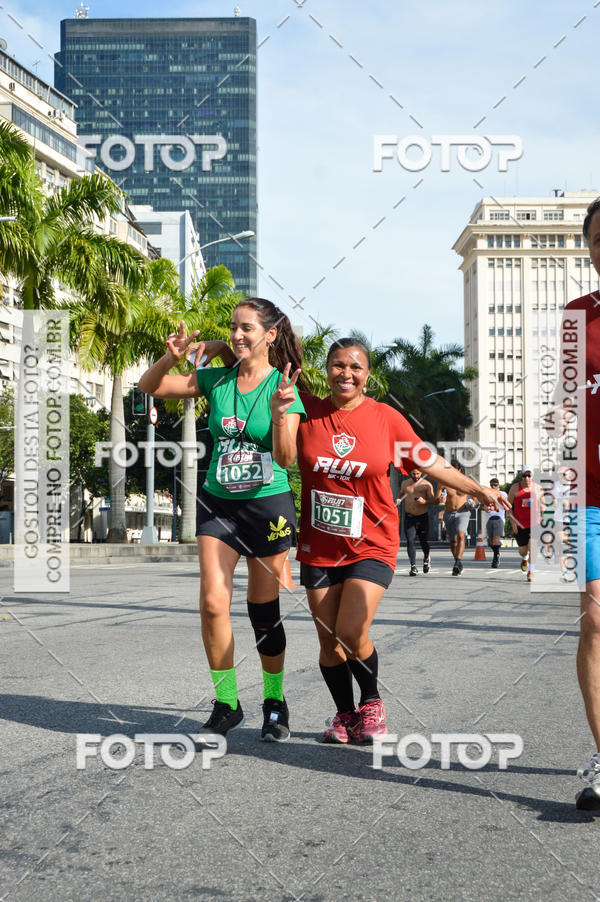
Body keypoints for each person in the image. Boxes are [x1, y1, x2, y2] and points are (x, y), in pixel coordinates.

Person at [295, 338, 509, 744]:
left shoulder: (385, 419)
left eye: (356, 367)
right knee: (328, 639)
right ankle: (345, 715)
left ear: (367, 375)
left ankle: (372, 702)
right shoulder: (305, 410)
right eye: (338, 365)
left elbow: (433, 463)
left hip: (372, 542)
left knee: (351, 630)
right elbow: (261, 375)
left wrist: (478, 489)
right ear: (326, 370)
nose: (346, 373)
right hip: (319, 545)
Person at [138, 298, 306, 743]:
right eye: (232, 327)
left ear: (270, 334)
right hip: (218, 504)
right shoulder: (216, 380)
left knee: (262, 611)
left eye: (247, 328)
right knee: (213, 603)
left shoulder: (284, 388)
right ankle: (227, 703)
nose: (236, 335)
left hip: (267, 508)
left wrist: (278, 414)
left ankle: (274, 700)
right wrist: (170, 357)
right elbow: (151, 386)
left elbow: (287, 459)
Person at [555, 198, 600, 810]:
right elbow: (564, 411)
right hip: (590, 498)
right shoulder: (575, 316)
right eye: (596, 236)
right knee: (596, 621)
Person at [434, 459, 477, 575]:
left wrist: (472, 503)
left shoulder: (466, 481)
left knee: (461, 535)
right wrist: (440, 498)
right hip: (448, 513)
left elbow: (474, 496)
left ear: (459, 470)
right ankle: (458, 563)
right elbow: (437, 499)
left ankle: (458, 562)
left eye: (454, 469)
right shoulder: (443, 482)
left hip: (463, 512)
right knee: (453, 541)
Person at [507, 466, 541, 582]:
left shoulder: (538, 489)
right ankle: (525, 558)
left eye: (529, 475)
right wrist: (513, 522)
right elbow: (509, 507)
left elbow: (543, 506)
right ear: (521, 476)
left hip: (535, 523)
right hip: (520, 524)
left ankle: (531, 571)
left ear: (532, 476)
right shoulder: (515, 488)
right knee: (523, 550)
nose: (527, 478)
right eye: (524, 475)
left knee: (533, 547)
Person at [397, 468, 434, 575]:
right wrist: (399, 499)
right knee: (410, 540)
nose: (416, 476)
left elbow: (433, 500)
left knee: (423, 541)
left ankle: (426, 559)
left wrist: (425, 501)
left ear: (421, 473)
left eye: (417, 473)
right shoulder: (405, 483)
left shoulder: (427, 484)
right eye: (413, 473)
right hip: (409, 517)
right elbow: (401, 494)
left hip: (422, 517)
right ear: (410, 473)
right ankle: (413, 566)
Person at [486, 478, 508, 569]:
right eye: (491, 485)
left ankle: (495, 558)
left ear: (498, 485)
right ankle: (497, 552)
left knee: (495, 540)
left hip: (499, 518)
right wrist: (486, 508)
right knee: (491, 542)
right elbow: (483, 506)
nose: (493, 486)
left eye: (495, 485)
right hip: (489, 519)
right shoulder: (487, 494)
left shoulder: (503, 494)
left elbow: (506, 505)